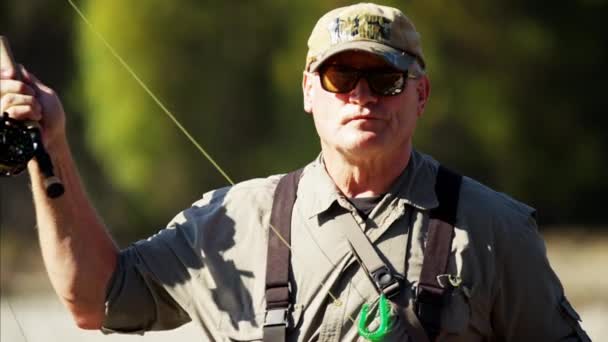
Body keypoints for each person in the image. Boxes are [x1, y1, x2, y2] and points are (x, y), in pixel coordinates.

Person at [0, 3, 591, 341]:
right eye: (340, 78)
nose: (362, 97)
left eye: (384, 80)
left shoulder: (495, 229)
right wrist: (52, 146)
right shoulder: (229, 220)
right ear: (309, 90)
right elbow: (93, 300)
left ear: (422, 94)